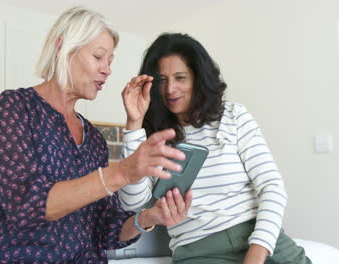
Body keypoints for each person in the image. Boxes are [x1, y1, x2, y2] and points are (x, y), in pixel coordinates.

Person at [0, 8, 192, 264]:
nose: (107, 70)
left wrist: (149, 217)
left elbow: (107, 231)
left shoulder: (94, 139)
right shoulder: (15, 107)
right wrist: (122, 172)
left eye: (110, 62)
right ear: (63, 47)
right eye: (98, 57)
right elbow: (25, 205)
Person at [119, 33, 312, 264]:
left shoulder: (234, 116)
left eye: (181, 77)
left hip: (258, 240)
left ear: (198, 79)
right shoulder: (151, 138)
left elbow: (272, 187)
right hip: (198, 250)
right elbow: (131, 203)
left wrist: (257, 252)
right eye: (162, 80)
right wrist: (133, 124)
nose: (170, 89)